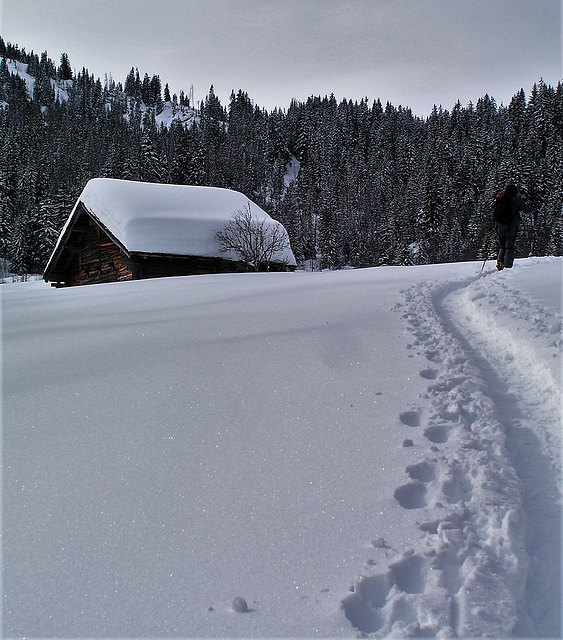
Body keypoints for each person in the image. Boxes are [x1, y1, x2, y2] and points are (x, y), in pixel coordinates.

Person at [493, 182, 537, 270]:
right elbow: (526, 210)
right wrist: (534, 210)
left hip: (499, 226)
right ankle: (507, 267)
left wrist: (494, 227)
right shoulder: (515, 199)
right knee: (509, 246)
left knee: (502, 246)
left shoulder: (500, 199)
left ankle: (500, 264)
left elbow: (494, 214)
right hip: (511, 225)